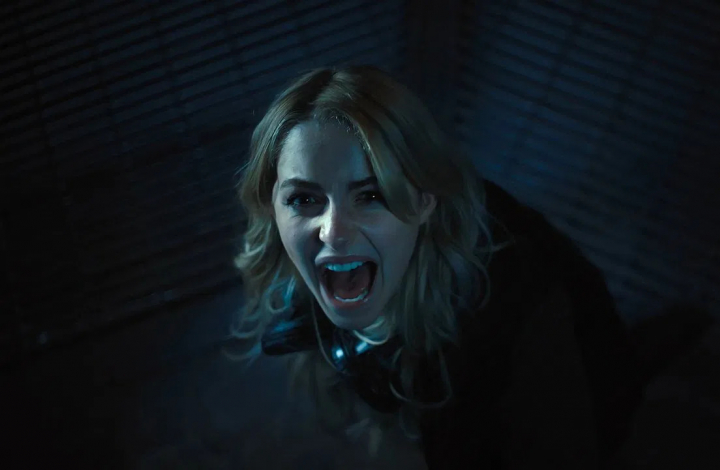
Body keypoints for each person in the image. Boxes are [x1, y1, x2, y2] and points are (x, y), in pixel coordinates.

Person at [230, 65, 644, 469]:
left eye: (371, 195)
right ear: (270, 206)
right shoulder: (311, 272)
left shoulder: (512, 304)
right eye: (304, 199)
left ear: (424, 201)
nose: (334, 233)